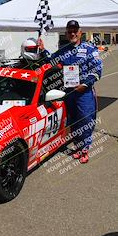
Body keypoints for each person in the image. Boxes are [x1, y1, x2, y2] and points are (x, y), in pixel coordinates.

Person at [39, 20, 103, 164]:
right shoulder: (64, 50)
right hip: (68, 92)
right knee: (73, 121)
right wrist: (42, 50)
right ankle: (78, 147)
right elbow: (50, 61)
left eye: (75, 31)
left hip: (84, 92)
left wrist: (85, 85)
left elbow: (98, 71)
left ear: (80, 32)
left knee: (86, 120)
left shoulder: (89, 49)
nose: (72, 33)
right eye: (69, 31)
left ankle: (85, 149)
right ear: (67, 34)